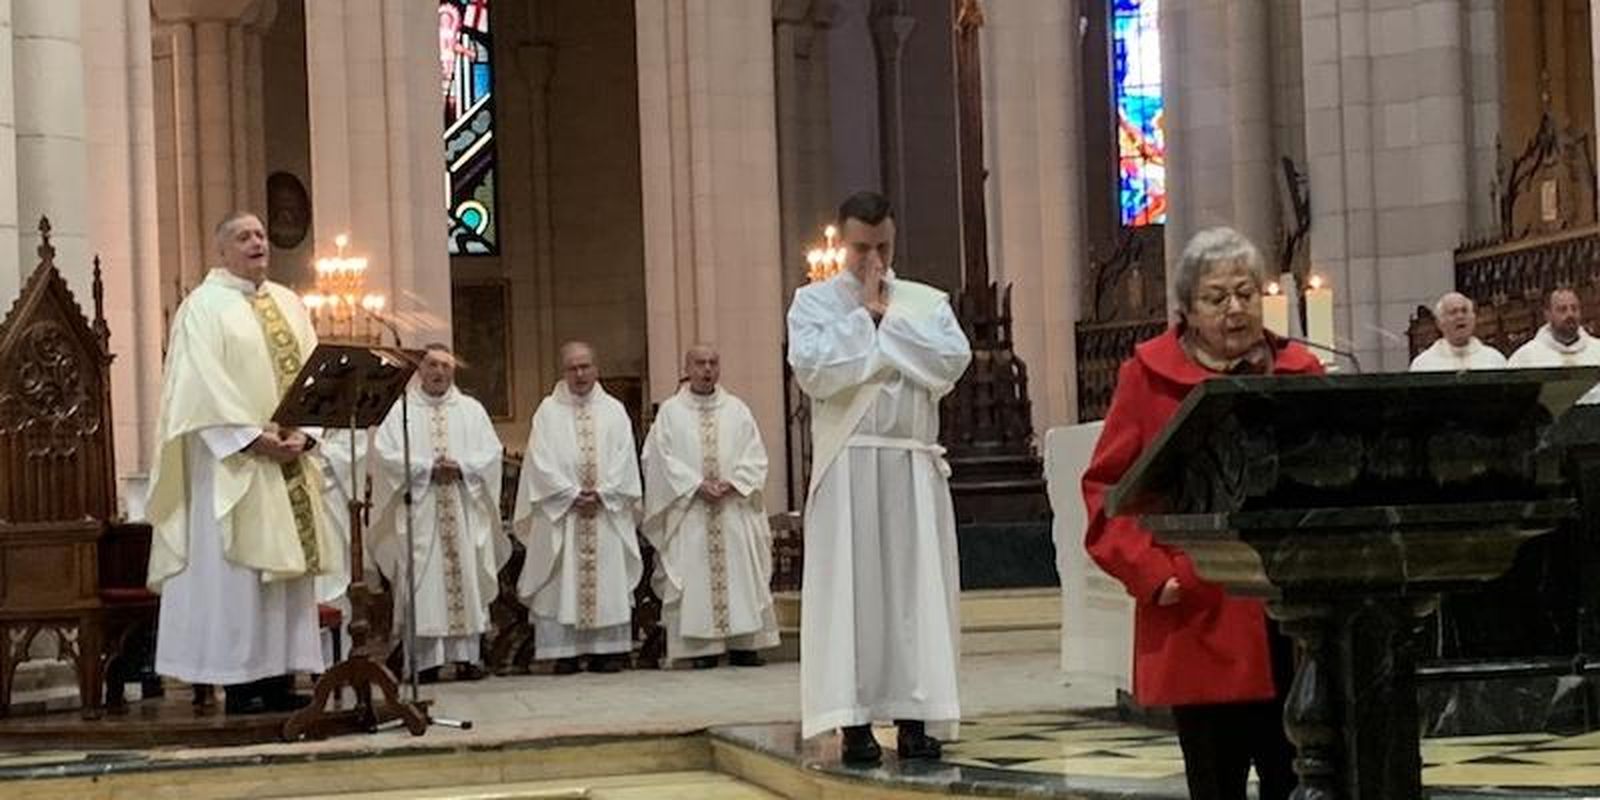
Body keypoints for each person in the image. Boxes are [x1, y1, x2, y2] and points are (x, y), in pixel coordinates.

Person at [1082, 227, 1319, 800]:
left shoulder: (1298, 371)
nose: (1236, 309)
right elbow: (1106, 490)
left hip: (1292, 610)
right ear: (1186, 309)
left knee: (1301, 778)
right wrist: (1157, 574)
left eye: (1246, 293)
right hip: (1200, 607)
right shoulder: (1147, 378)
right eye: (1218, 297)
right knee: (1216, 780)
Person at [786, 191, 972, 764]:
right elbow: (817, 374)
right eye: (861, 247)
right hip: (850, 464)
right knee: (856, 595)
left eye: (883, 246)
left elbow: (950, 363)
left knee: (915, 597)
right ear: (842, 243)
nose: (873, 259)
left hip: (911, 464)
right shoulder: (812, 303)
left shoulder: (924, 300)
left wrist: (882, 325)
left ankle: (916, 718)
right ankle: (855, 722)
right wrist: (868, 322)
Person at [145, 211, 341, 714]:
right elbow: (199, 386)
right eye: (243, 236)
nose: (257, 242)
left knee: (285, 580)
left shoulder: (291, 304)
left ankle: (279, 675)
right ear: (222, 251)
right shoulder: (202, 308)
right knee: (240, 577)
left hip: (288, 463)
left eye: (260, 235)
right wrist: (252, 438)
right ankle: (238, 680)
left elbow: (318, 373)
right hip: (233, 467)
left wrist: (306, 432)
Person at [369, 344, 505, 682]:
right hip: (421, 511)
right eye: (432, 364)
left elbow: (491, 454)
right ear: (419, 369)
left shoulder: (471, 410)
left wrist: (462, 467)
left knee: (466, 577)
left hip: (461, 506)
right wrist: (426, 468)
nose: (439, 372)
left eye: (445, 366)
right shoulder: (400, 410)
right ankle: (425, 661)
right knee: (423, 581)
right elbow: (385, 455)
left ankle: (467, 657)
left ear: (453, 371)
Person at [641, 345, 780, 669]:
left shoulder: (737, 410)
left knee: (742, 577)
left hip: (732, 507)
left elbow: (755, 455)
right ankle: (700, 648)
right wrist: (695, 485)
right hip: (691, 510)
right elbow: (658, 458)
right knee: (695, 578)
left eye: (713, 363)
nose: (707, 369)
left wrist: (734, 483)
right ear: (688, 368)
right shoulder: (671, 413)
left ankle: (744, 645)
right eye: (700, 363)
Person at [512, 341, 643, 673]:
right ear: (563, 371)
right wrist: (570, 494)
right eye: (573, 368)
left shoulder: (614, 410)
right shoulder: (548, 411)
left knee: (607, 578)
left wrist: (603, 492)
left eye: (585, 366)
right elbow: (540, 461)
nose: (580, 374)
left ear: (596, 368)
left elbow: (625, 458)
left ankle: (607, 651)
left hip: (604, 511)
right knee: (561, 579)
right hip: (565, 514)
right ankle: (564, 651)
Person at [1409, 292, 1506, 371]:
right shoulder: (1424, 364)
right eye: (1453, 312)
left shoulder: (1494, 359)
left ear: (1473, 319)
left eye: (1464, 311)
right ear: (1439, 323)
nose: (1460, 316)